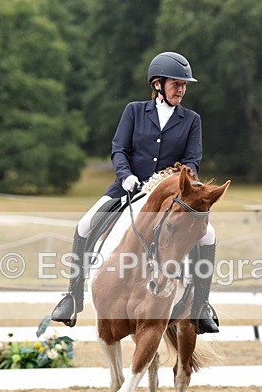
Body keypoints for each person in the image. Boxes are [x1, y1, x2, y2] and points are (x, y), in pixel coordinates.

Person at [50, 51, 219, 334]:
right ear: (157, 85)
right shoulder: (134, 111)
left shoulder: (191, 120)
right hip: (127, 188)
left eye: (184, 84)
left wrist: (179, 178)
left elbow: (193, 160)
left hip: (169, 196)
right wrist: (125, 175)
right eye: (176, 83)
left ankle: (201, 306)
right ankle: (73, 297)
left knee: (209, 234)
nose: (181, 89)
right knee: (84, 226)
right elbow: (119, 149)